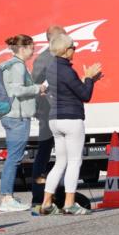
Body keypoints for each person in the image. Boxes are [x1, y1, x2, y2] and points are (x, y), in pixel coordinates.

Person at [39, 32, 102, 216]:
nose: (75, 50)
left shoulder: (52, 68)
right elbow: (85, 95)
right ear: (66, 51)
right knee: (74, 162)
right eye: (73, 47)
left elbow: (70, 88)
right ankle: (69, 203)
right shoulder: (67, 70)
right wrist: (89, 78)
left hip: (55, 119)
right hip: (71, 119)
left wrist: (89, 80)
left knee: (60, 163)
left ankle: (46, 204)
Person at [0, 34, 46, 212]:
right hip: (17, 117)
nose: (33, 52)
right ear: (23, 48)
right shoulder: (18, 66)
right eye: (32, 48)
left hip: (9, 115)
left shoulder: (9, 64)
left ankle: (7, 196)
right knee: (14, 158)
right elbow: (17, 90)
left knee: (13, 157)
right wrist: (37, 88)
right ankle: (7, 198)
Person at [31, 25, 65, 210]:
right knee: (44, 152)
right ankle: (38, 192)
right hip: (48, 111)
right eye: (63, 35)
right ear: (53, 38)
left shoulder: (58, 57)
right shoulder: (44, 58)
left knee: (60, 152)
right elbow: (35, 84)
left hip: (60, 110)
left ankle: (57, 191)